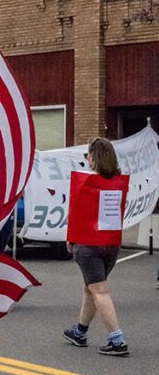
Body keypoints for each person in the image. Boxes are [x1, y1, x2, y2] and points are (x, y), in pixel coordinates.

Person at [63, 136, 130, 356]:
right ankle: (80, 332)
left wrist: (71, 238)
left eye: (88, 155)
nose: (87, 159)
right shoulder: (119, 183)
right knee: (90, 287)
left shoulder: (85, 183)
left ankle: (117, 340)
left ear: (94, 157)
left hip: (88, 245)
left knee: (99, 290)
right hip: (110, 244)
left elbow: (77, 215)